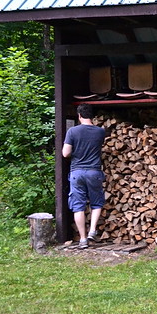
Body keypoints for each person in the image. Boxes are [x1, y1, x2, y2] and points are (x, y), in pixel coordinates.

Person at [61, 103, 106, 250]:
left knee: (78, 206)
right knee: (97, 202)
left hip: (77, 172)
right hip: (94, 171)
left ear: (79, 115)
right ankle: (93, 230)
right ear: (91, 116)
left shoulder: (72, 131)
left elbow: (65, 153)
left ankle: (82, 239)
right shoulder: (100, 132)